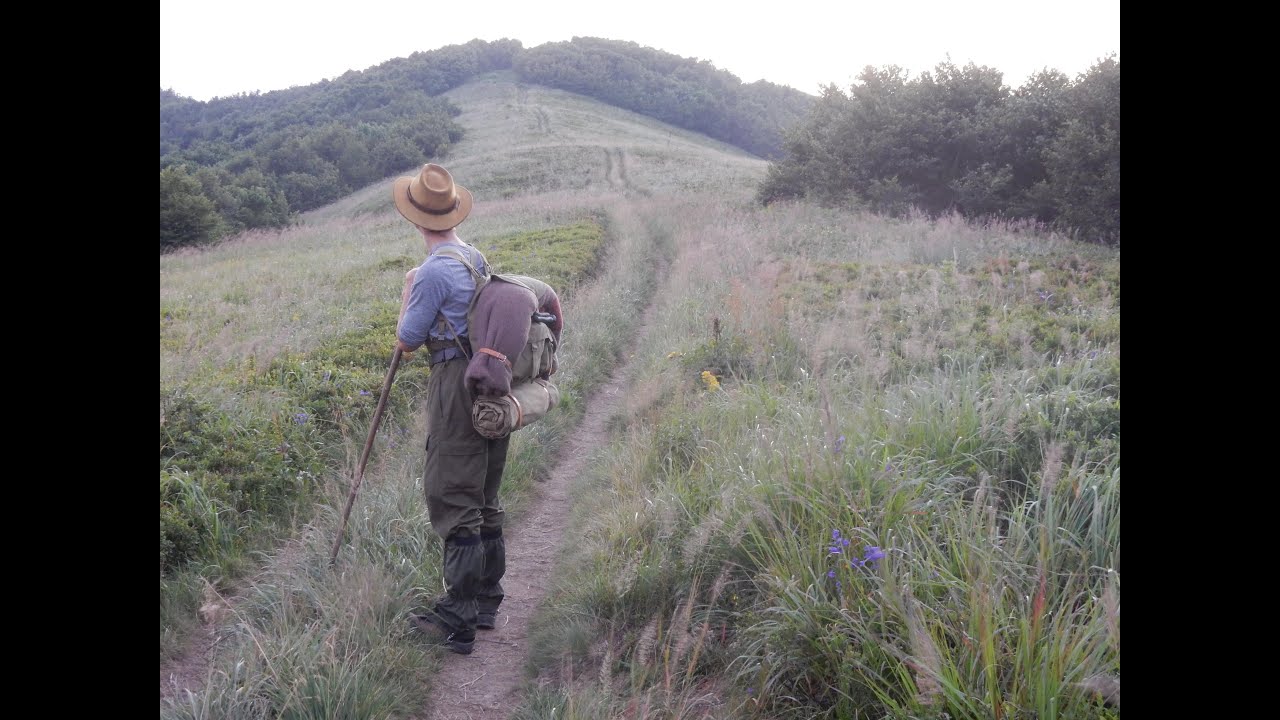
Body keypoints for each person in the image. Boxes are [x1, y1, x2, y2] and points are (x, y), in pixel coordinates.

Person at [393, 163, 507, 655]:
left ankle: (457, 619)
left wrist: (406, 293)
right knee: (484, 490)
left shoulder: (435, 270)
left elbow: (408, 339)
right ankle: (485, 600)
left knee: (453, 490)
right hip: (492, 387)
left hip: (455, 386)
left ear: (416, 218)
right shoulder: (474, 257)